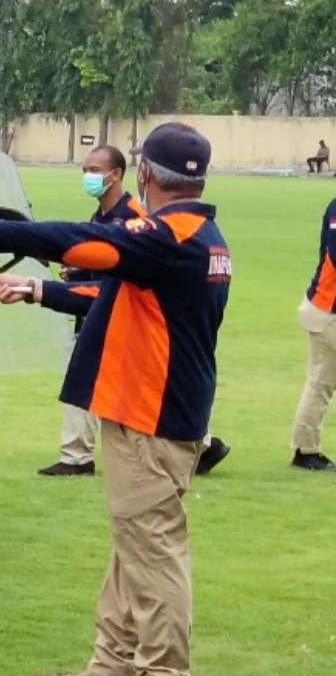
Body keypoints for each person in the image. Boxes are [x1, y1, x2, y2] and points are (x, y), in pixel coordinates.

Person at [0, 121, 230, 676]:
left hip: (151, 417)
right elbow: (114, 294)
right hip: (148, 411)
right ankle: (115, 664)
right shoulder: (193, 236)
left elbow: (80, 244)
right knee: (135, 548)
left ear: (145, 175)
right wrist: (39, 291)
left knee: (151, 552)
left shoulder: (168, 236)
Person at [34, 147, 232, 479]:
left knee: (110, 381)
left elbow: (132, 270)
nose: (88, 176)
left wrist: (44, 284)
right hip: (99, 313)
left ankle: (79, 454)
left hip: (126, 319)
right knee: (92, 377)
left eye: (95, 169)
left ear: (118, 175)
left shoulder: (138, 221)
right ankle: (77, 452)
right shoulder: (102, 216)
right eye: (85, 168)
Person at [290, 195, 336, 471]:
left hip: (324, 308)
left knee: (320, 383)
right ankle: (304, 450)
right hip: (327, 309)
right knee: (320, 383)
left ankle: (304, 449)